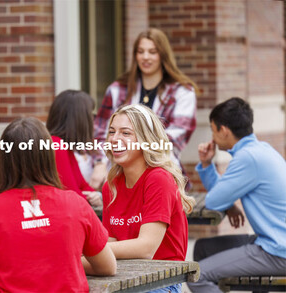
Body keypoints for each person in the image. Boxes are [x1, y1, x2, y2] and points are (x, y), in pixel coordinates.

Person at [0, 117, 116, 292]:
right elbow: (108, 266)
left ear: (4, 159)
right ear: (47, 156)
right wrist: (60, 265)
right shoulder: (76, 203)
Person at [187, 98, 286, 293]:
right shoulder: (261, 149)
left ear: (224, 130)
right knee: (203, 248)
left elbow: (214, 201)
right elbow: (222, 195)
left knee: (196, 275)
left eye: (213, 130)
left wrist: (226, 202)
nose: (212, 138)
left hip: (277, 251)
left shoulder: (247, 158)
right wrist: (207, 164)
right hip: (272, 243)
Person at [96, 104, 195, 293]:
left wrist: (92, 251)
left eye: (126, 133)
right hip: (124, 275)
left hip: (161, 281)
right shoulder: (111, 186)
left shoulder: (159, 178)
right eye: (111, 132)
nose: (115, 139)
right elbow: (111, 240)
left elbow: (146, 248)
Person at [91, 28, 199, 190]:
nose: (146, 57)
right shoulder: (117, 90)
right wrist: (99, 162)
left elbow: (173, 139)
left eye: (152, 52)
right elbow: (101, 132)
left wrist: (134, 151)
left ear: (162, 55)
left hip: (162, 169)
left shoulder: (183, 92)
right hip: (118, 173)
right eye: (141, 52)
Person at [46, 89, 102, 207]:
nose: (93, 120)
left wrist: (95, 196)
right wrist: (90, 197)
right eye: (91, 115)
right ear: (79, 119)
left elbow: (82, 185)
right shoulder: (56, 146)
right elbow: (70, 195)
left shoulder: (66, 147)